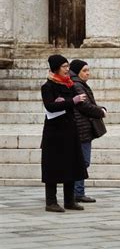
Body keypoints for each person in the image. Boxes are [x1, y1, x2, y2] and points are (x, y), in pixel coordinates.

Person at [41, 54, 88, 212]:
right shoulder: (48, 86)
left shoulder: (70, 85)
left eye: (68, 66)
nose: (68, 70)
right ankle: (51, 201)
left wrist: (97, 111)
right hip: (54, 133)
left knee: (71, 165)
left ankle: (69, 200)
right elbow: (50, 106)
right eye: (64, 67)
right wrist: (70, 102)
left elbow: (78, 103)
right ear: (56, 69)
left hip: (70, 130)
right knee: (53, 167)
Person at [69, 59, 107, 203]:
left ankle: (77, 191)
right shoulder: (77, 85)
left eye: (88, 70)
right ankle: (77, 192)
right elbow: (84, 106)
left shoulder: (78, 84)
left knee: (81, 161)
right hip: (81, 128)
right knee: (83, 161)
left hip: (82, 127)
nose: (88, 73)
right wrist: (100, 111)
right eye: (84, 71)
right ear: (77, 72)